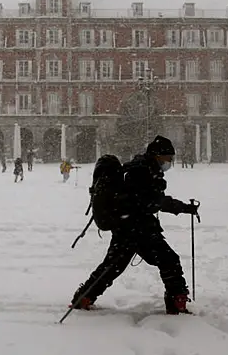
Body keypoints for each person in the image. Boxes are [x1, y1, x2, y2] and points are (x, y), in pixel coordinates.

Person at [69, 135, 200, 315]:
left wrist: (178, 206)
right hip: (136, 227)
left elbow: (147, 200)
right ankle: (177, 300)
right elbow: (149, 202)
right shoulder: (142, 171)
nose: (169, 162)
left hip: (128, 225)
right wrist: (179, 207)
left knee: (113, 266)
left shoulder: (142, 168)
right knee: (168, 260)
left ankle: (84, 297)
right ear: (157, 156)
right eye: (167, 159)